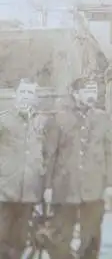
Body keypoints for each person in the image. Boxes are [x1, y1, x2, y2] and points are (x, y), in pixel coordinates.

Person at [44, 77, 112, 259]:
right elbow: (50, 155)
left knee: (91, 238)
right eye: (87, 91)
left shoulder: (104, 118)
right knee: (60, 238)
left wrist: (111, 184)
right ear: (75, 94)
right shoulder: (59, 119)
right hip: (65, 187)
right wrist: (47, 187)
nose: (92, 95)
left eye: (94, 91)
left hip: (94, 188)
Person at [0, 79, 50, 259]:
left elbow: (48, 153)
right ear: (15, 96)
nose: (25, 98)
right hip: (5, 190)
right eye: (23, 93)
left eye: (30, 94)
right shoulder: (4, 120)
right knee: (3, 235)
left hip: (30, 191)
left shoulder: (43, 122)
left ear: (36, 99)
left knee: (21, 238)